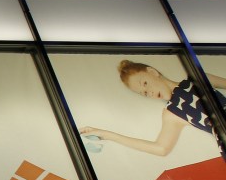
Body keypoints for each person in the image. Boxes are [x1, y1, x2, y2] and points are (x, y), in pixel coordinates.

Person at [77, 58, 226, 158]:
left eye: (145, 84)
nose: (150, 93)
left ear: (153, 72)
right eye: (144, 93)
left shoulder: (198, 79)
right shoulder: (171, 113)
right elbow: (161, 148)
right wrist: (107, 135)